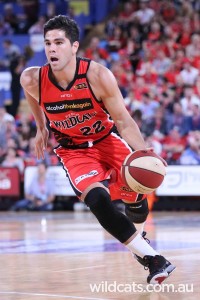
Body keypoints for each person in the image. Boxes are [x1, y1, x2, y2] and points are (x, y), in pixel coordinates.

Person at [20, 15, 175, 284]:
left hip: (107, 141)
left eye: (59, 42)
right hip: (74, 151)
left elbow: (124, 121)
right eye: (47, 43)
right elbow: (33, 97)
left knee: (138, 198)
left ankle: (138, 237)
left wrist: (144, 152)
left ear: (75, 46)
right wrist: (40, 126)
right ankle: (153, 259)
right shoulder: (32, 78)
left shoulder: (98, 75)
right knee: (98, 201)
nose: (52, 49)